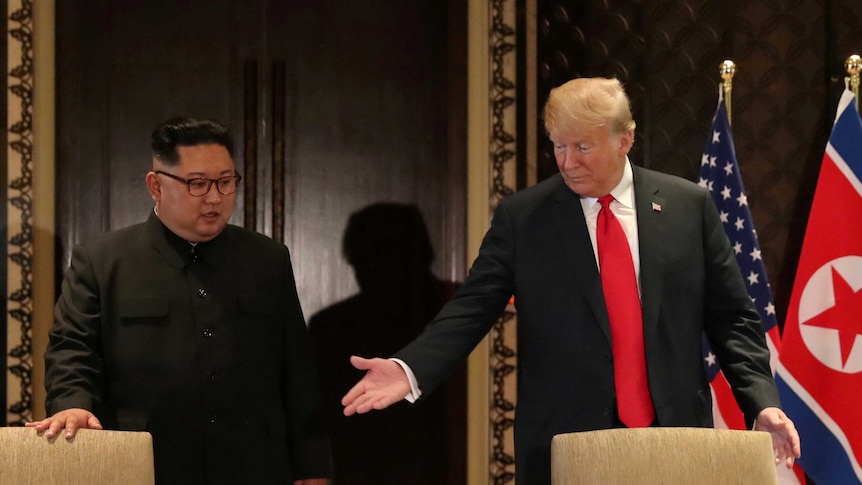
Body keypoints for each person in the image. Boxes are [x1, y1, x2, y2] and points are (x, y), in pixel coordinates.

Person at [340, 77, 802, 484]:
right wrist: (409, 368)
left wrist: (761, 400)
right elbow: (471, 308)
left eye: (582, 147)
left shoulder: (688, 207)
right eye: (558, 146)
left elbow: (733, 320)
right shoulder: (524, 219)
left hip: (675, 441)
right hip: (563, 445)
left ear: (625, 140)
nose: (567, 162)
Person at [27, 117, 330, 485]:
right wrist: (72, 404)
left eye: (225, 181)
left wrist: (312, 465)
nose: (215, 197)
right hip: (148, 462)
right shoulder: (104, 261)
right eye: (197, 184)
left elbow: (297, 371)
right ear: (156, 186)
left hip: (253, 462)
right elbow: (71, 350)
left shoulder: (268, 260)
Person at [308, 203, 466, 485]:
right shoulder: (331, 327)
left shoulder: (460, 311)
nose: (371, 271)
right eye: (365, 260)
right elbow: (321, 422)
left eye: (381, 258)